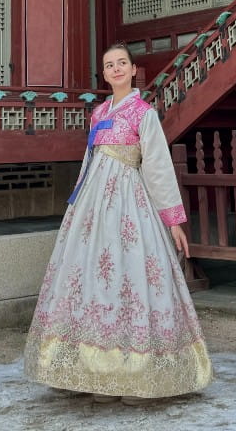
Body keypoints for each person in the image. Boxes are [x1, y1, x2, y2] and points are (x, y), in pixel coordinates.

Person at [24, 43, 213, 401]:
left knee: (131, 277)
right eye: (109, 65)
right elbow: (89, 160)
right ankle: (86, 369)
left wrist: (173, 220)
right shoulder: (97, 114)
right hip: (93, 206)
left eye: (121, 63)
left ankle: (136, 370)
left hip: (130, 200)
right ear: (105, 73)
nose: (116, 69)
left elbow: (156, 165)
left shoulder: (144, 113)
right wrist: (76, 204)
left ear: (132, 68)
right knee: (90, 277)